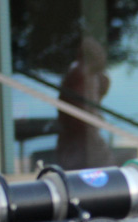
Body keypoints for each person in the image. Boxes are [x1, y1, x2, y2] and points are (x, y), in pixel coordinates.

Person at [56, 36, 114, 170]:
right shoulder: (78, 75)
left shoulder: (95, 76)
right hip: (78, 143)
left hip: (87, 139)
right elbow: (78, 116)